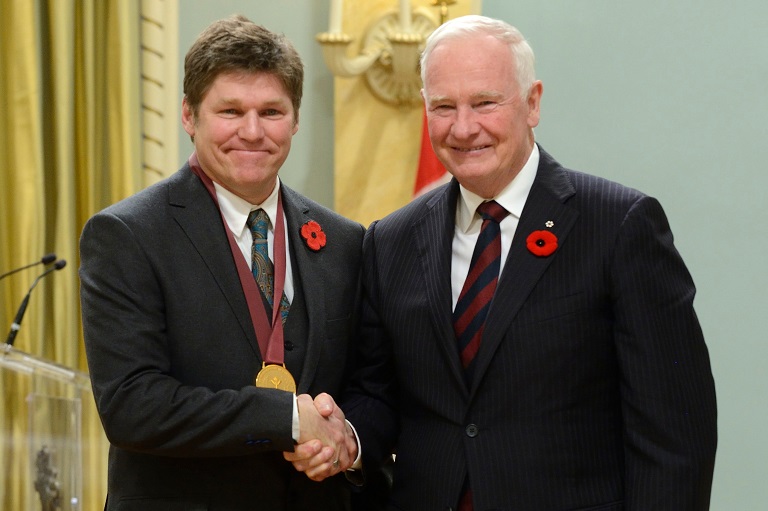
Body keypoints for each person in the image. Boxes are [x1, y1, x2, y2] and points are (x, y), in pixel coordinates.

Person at [288, 14, 718, 511]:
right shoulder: (391, 241)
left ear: (532, 102)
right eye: (444, 107)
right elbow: (379, 393)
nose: (464, 127)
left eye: (485, 103)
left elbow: (674, 434)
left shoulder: (619, 226)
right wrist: (347, 437)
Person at [79, 15, 364, 510]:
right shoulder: (127, 235)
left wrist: (346, 441)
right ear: (189, 115)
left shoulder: (343, 240)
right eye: (230, 110)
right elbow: (131, 405)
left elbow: (369, 379)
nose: (252, 132)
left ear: (296, 119)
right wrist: (289, 420)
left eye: (272, 111)